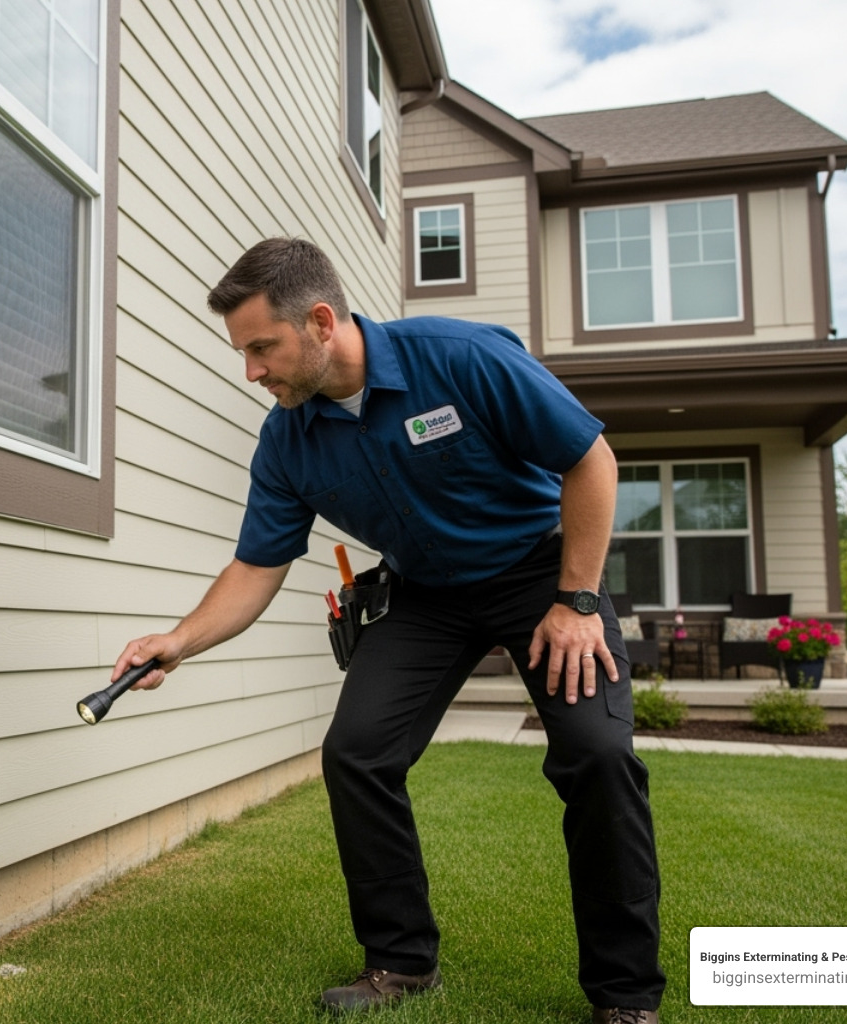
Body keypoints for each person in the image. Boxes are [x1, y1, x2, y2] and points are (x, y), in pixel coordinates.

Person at [111, 238, 664, 1023]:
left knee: (599, 756)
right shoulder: (288, 440)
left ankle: (626, 996)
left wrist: (575, 601)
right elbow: (256, 566)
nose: (253, 372)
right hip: (428, 593)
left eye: (262, 348)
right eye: (244, 352)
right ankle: (400, 962)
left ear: (322, 322)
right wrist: (179, 639)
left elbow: (592, 460)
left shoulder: (462, 358)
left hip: (544, 572)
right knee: (358, 752)